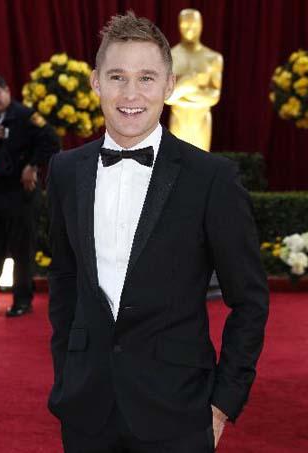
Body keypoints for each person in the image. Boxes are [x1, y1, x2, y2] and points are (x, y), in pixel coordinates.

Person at [47, 12, 269, 453]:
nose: (131, 94)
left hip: (179, 413)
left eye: (147, 78)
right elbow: (65, 282)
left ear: (169, 85)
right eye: (117, 76)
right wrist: (67, 374)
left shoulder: (212, 178)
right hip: (87, 411)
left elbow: (250, 300)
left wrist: (223, 403)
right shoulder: (66, 171)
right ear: (96, 82)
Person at [0, 74, 60, 317]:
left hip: (21, 194)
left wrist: (33, 165)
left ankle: (22, 301)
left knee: (21, 250)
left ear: (7, 91)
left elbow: (51, 141)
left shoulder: (26, 116)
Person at [166, 8, 223, 151]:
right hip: (178, 119)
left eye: (193, 24)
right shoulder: (170, 56)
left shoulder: (213, 58)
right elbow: (166, 97)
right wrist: (189, 85)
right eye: (185, 24)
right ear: (179, 25)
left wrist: (183, 89)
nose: (189, 29)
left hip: (201, 121)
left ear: (201, 25)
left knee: (201, 167)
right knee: (179, 167)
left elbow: (214, 96)